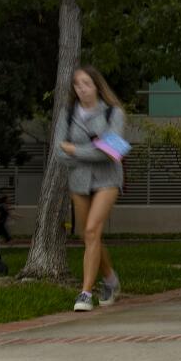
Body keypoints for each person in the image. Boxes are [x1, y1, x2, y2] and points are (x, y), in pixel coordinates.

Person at [53, 66, 125, 312]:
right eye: (77, 84)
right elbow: (59, 152)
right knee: (87, 235)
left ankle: (85, 292)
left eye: (86, 83)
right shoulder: (68, 112)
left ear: (96, 85)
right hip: (79, 180)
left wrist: (75, 150)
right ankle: (111, 280)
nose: (81, 88)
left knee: (93, 229)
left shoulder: (113, 113)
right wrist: (88, 152)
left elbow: (111, 153)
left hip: (108, 180)